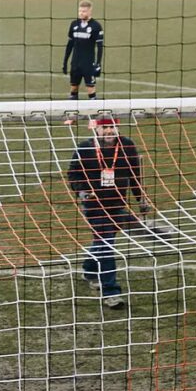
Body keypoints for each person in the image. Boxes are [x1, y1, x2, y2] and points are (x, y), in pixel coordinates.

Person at [66, 116, 153, 310]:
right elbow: (72, 174)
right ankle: (111, 292)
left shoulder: (127, 146)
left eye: (112, 127)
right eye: (104, 128)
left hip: (116, 203)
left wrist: (141, 199)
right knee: (106, 244)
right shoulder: (84, 148)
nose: (108, 131)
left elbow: (135, 174)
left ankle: (89, 270)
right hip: (94, 205)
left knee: (102, 242)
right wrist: (81, 191)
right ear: (95, 129)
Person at [62, 0, 105, 108]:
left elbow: (100, 47)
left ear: (90, 11)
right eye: (80, 11)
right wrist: (65, 62)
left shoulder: (96, 26)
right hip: (75, 63)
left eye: (84, 11)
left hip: (88, 64)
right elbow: (69, 45)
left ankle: (93, 118)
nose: (81, 13)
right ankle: (72, 117)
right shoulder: (74, 24)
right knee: (73, 89)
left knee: (90, 89)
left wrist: (98, 64)